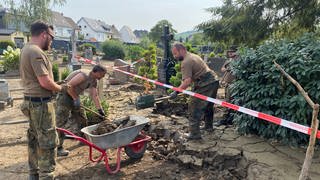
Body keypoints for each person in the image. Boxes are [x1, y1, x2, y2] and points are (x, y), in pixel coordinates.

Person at [20, 21, 68, 180]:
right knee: (48, 143)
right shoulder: (36, 52)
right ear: (44, 34)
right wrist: (61, 88)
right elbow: (44, 82)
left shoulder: (26, 48)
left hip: (31, 102)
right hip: (40, 104)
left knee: (34, 139)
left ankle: (33, 175)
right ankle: (47, 176)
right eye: (52, 37)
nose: (52, 41)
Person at [169, 42, 219, 140]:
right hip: (213, 81)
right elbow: (192, 78)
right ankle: (208, 127)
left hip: (206, 83)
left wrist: (176, 91)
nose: (175, 57)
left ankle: (194, 134)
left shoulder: (186, 62)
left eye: (175, 54)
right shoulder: (193, 56)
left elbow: (187, 81)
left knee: (193, 106)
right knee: (208, 105)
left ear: (182, 50)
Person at [55, 64, 107, 156]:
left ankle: (83, 139)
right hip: (64, 96)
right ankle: (58, 148)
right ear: (97, 72)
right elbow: (68, 86)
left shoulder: (94, 81)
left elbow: (94, 95)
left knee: (82, 118)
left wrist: (100, 110)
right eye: (102, 74)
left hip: (75, 96)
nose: (103, 77)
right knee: (61, 123)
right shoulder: (84, 75)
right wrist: (75, 98)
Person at [215, 47, 237, 126]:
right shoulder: (228, 61)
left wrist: (231, 68)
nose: (230, 53)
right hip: (227, 84)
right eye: (229, 52)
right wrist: (227, 68)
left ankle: (226, 119)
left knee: (229, 102)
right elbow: (222, 69)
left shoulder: (238, 60)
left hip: (234, 84)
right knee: (227, 101)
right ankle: (228, 118)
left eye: (233, 51)